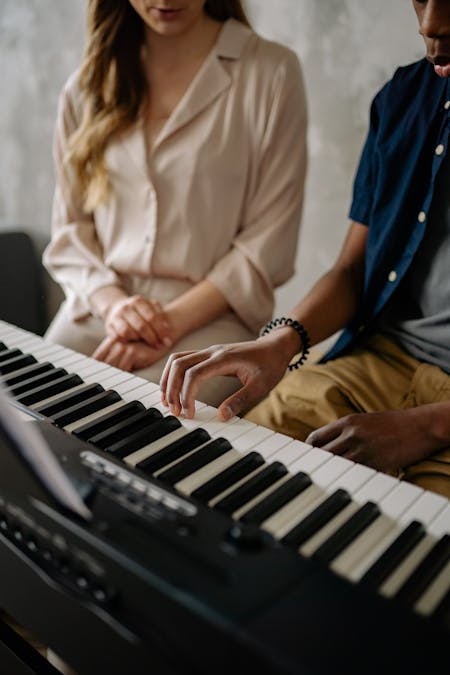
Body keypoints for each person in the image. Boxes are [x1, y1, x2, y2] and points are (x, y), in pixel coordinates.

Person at [161, 0, 450, 499]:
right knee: (216, 479)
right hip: (377, 362)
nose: (432, 24)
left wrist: (428, 427)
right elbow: (352, 269)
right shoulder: (402, 98)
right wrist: (280, 344)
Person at [43, 0, 307, 408]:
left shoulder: (271, 72)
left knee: (141, 430)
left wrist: (164, 325)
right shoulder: (86, 85)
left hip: (212, 318)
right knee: (28, 421)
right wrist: (115, 308)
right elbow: (71, 231)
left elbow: (267, 243)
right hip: (98, 307)